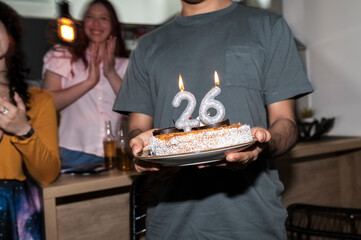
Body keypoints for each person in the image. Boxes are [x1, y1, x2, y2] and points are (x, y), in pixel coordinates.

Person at [114, 0, 313, 239]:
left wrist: (261, 144)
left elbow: (286, 124)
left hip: (253, 224)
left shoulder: (268, 26)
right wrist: (143, 150)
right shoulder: (147, 45)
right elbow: (137, 129)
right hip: (170, 227)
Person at [42, 0, 129, 168]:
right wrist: (89, 82)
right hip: (73, 151)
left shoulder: (126, 64)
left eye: (103, 18)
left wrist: (110, 73)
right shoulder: (62, 55)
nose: (96, 23)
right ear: (82, 23)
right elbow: (47, 103)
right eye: (90, 17)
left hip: (119, 152)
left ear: (113, 25)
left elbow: (137, 107)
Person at [0, 2, 61, 239]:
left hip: (18, 214)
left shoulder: (39, 100)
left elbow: (48, 174)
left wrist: (23, 130)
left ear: (11, 35)